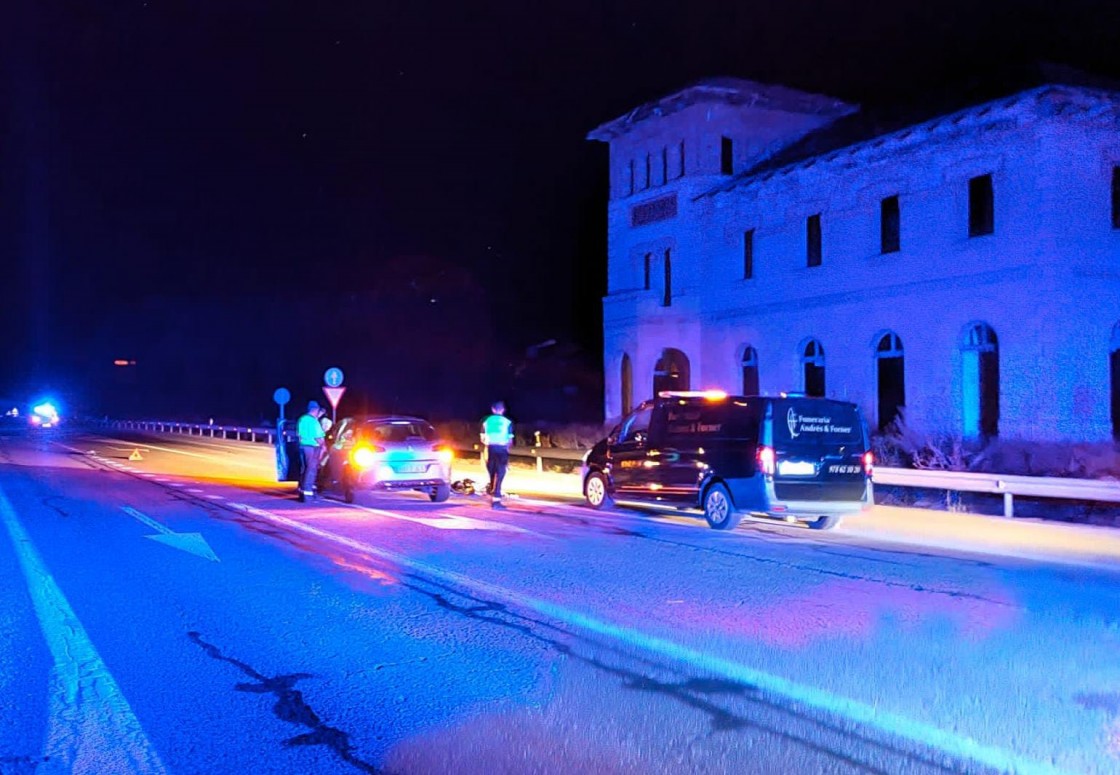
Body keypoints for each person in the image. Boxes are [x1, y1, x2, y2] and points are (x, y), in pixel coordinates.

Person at [480, 400, 513, 508]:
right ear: (503, 410)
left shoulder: (486, 421)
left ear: (492, 409)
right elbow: (510, 440)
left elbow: (482, 438)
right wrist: (507, 452)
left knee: (492, 472)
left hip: (491, 448)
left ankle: (492, 491)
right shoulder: (507, 422)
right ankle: (496, 499)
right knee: (500, 473)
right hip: (502, 449)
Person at [296, 400, 327, 502]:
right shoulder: (314, 422)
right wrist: (324, 446)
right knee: (311, 470)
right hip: (313, 448)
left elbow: (299, 435)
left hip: (303, 447)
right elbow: (318, 437)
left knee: (304, 470)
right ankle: (308, 495)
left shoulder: (302, 419)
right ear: (315, 410)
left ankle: (302, 493)